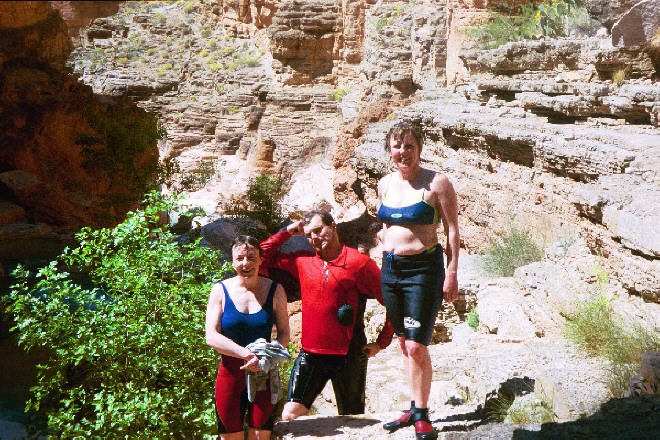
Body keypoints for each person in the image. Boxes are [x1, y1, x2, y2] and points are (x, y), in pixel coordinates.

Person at [259, 210, 395, 421]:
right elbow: (260, 257)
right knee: (290, 415)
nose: (314, 237)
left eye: (318, 230)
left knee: (352, 420)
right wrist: (286, 232)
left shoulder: (360, 263)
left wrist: (381, 342)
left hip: (348, 355)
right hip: (311, 354)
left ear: (333, 226)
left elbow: (393, 302)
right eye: (308, 235)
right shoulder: (302, 262)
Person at [377, 121, 460, 440]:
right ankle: (412, 407)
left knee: (416, 345)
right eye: (397, 146)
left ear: (419, 148)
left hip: (424, 270)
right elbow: (385, 226)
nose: (403, 152)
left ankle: (422, 412)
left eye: (409, 146)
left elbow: (452, 229)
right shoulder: (384, 184)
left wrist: (451, 271)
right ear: (389, 151)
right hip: (391, 269)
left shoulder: (437, 183)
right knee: (402, 342)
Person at [205, 235, 290, 440]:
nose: (246, 263)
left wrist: (266, 357)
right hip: (230, 377)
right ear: (232, 261)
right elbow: (211, 336)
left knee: (260, 437)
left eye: (252, 257)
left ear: (261, 260)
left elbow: (285, 333)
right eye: (240, 258)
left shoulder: (275, 289)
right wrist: (246, 354)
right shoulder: (220, 290)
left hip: (264, 374)